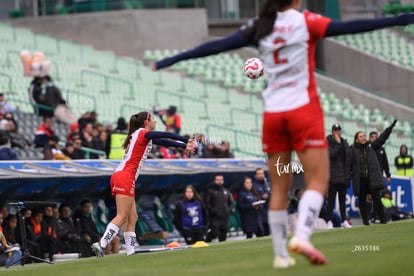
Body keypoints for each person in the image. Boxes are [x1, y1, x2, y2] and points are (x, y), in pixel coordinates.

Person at [152, 0, 414, 267]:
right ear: (297, 1)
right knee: (318, 179)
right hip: (303, 111)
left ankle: (280, 255)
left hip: (273, 116)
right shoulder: (306, 21)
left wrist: (171, 60)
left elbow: (215, 46)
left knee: (279, 188)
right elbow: (352, 27)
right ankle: (301, 235)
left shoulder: (259, 26)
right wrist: (400, 19)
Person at [90, 111, 196, 257]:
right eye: (153, 119)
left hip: (123, 176)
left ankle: (130, 251)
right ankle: (101, 244)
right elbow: (162, 135)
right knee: (121, 216)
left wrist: (183, 146)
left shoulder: (139, 135)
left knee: (132, 217)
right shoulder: (142, 132)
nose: (155, 121)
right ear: (146, 121)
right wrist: (185, 140)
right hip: (125, 176)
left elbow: (164, 141)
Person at [350, 120, 397, 226]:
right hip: (361, 179)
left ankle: (383, 221)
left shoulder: (370, 146)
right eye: (361, 136)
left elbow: (382, 139)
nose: (363, 138)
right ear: (356, 139)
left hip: (371, 179)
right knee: (362, 201)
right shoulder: (352, 149)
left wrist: (390, 128)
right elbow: (348, 164)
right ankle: (366, 222)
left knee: (377, 200)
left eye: (364, 136)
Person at [326, 124, 352, 229]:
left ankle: (344, 220)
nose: (337, 132)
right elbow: (331, 154)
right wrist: (337, 143)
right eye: (335, 130)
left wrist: (347, 176)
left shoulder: (344, 142)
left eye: (339, 130)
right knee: (331, 201)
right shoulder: (328, 141)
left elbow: (348, 159)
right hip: (333, 177)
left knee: (342, 201)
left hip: (343, 176)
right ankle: (329, 221)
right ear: (332, 131)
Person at [204, 174, 234, 243]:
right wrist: (213, 211)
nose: (220, 181)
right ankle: (207, 240)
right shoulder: (210, 191)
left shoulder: (226, 191)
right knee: (215, 233)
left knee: (223, 236)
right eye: (218, 180)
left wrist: (228, 210)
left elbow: (231, 203)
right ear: (214, 181)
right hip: (214, 218)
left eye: (221, 180)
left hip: (225, 218)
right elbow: (207, 203)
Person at [252, 168, 271, 236]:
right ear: (255, 175)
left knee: (268, 233)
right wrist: (261, 197)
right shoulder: (254, 185)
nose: (260, 175)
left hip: (269, 211)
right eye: (258, 174)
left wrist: (268, 195)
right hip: (259, 213)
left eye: (262, 173)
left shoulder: (268, 184)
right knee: (261, 232)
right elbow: (253, 197)